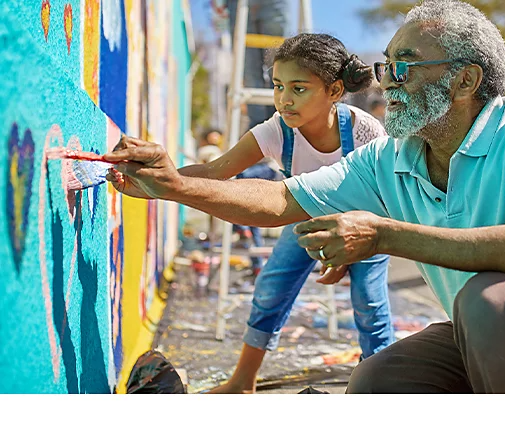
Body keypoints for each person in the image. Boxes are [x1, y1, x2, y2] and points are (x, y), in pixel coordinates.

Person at [105, 0, 505, 394]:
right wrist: (175, 186)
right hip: (473, 331)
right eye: (387, 66)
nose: (388, 83)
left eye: (405, 68)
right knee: (377, 379)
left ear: (464, 80)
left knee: (486, 301)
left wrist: (381, 237)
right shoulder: (389, 158)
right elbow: (281, 199)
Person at [152, 33, 395, 394]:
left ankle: (380, 391)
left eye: (299, 88)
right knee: (270, 289)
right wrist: (156, 179)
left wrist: (343, 255)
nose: (284, 99)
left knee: (369, 302)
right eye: (279, 86)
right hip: (305, 217)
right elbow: (216, 171)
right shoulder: (277, 131)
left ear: (334, 90)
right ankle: (242, 382)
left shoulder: (365, 132)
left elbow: (382, 198)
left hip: (366, 222)